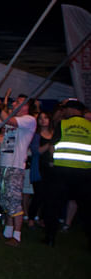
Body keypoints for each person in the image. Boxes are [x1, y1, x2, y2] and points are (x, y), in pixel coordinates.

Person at [45, 100, 91, 248]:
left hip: (62, 171)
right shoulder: (90, 126)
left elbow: (52, 148)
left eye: (65, 109)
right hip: (84, 173)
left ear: (71, 110)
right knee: (86, 210)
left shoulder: (63, 125)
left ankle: (50, 238)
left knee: (54, 206)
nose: (63, 112)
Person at [0, 95, 37, 247]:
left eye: (18, 102)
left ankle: (17, 236)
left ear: (26, 106)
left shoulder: (29, 120)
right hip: (5, 163)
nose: (14, 104)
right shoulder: (11, 119)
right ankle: (7, 232)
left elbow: (10, 121)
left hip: (15, 166)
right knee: (5, 199)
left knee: (14, 200)